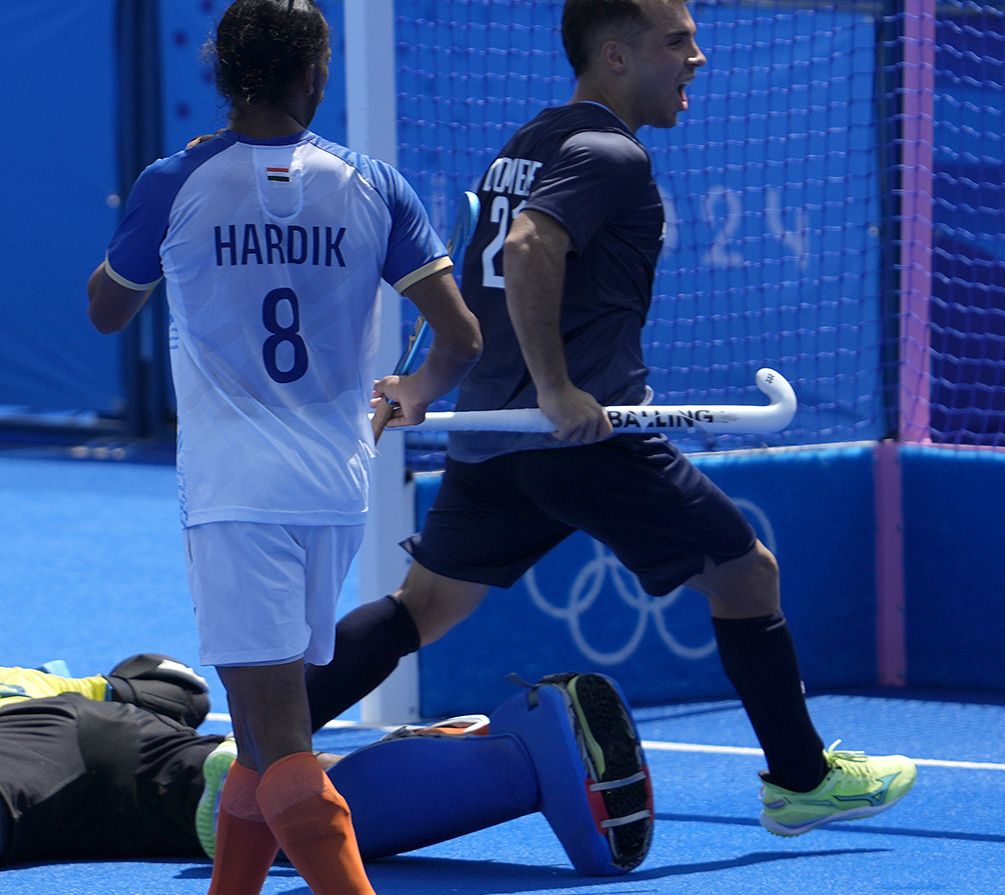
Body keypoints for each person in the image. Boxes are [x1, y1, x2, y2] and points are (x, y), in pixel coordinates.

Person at [304, 0, 916, 838]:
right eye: (677, 41)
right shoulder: (611, 154)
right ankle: (803, 781)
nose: (697, 58)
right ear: (617, 57)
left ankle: (258, 748)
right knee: (748, 575)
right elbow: (527, 248)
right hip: (583, 441)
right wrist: (557, 387)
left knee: (424, 605)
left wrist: (427, 380)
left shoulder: (525, 144)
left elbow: (478, 280)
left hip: (494, 436)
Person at [84, 1, 479, 893]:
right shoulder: (375, 184)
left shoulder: (175, 181)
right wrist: (411, 394)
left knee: (283, 742)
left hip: (235, 495)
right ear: (314, 74)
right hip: (336, 489)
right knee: (259, 738)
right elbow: (461, 338)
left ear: (222, 72)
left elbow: (107, 309)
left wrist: (148, 238)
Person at [0, 579, 651, 893]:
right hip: (115, 726)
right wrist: (114, 686)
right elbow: (176, 688)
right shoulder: (34, 669)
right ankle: (520, 758)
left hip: (15, 743)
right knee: (263, 792)